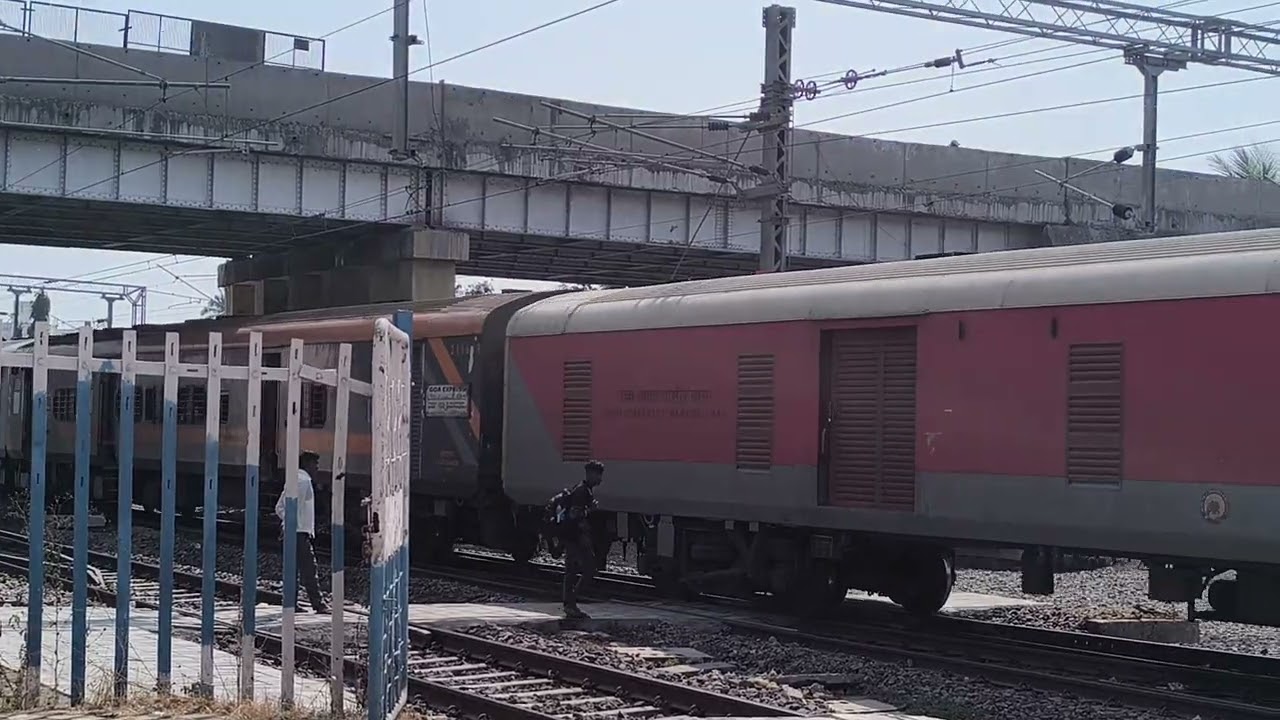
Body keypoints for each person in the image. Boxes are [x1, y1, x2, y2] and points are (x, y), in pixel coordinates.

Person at [545, 460, 605, 619]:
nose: (600, 478)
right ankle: (570, 603)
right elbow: (574, 514)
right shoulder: (582, 491)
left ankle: (570, 604)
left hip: (572, 536)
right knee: (586, 569)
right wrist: (589, 510)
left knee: (572, 570)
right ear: (590, 474)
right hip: (575, 537)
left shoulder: (583, 490)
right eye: (598, 475)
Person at [275, 450, 328, 613]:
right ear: (306, 464)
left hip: (294, 531)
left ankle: (291, 603)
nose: (317, 467)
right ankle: (318, 604)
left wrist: (286, 524)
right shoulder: (304, 481)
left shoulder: (294, 479)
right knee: (309, 569)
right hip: (299, 533)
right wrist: (292, 525)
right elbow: (294, 506)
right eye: (314, 464)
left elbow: (279, 507)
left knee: (293, 569)